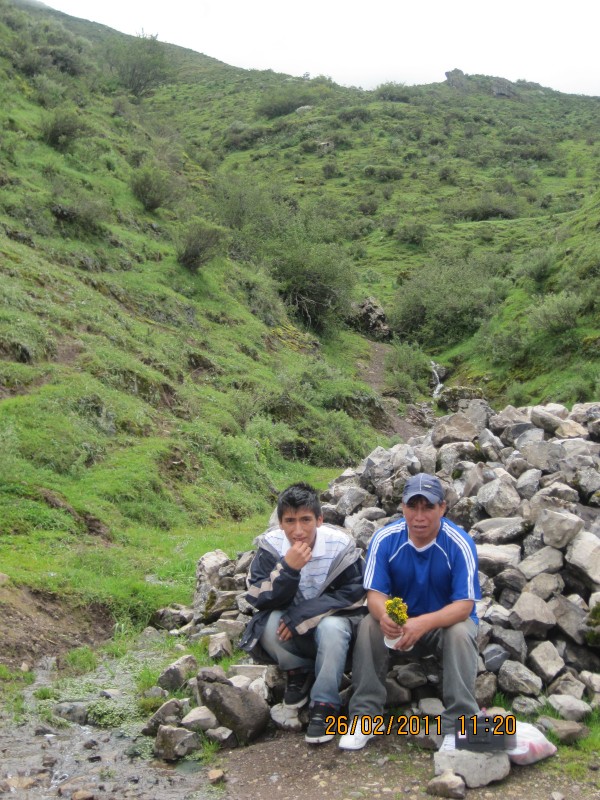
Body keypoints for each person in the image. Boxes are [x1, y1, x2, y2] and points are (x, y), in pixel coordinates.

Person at [339, 473, 481, 752]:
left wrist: (423, 624)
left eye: (428, 507)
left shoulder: (459, 543)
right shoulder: (385, 539)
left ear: (442, 508)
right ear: (402, 508)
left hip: (441, 625)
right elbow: (375, 595)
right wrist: (387, 616)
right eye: (412, 506)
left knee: (461, 631)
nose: (419, 516)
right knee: (369, 624)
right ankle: (364, 718)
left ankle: (459, 725)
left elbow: (464, 606)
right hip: (401, 626)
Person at [240, 482, 366, 744]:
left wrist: (306, 613)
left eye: (306, 520)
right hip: (291, 629)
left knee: (332, 627)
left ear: (319, 519)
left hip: (332, 630)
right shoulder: (270, 547)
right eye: (290, 521)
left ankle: (325, 705)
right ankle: (299, 671)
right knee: (269, 623)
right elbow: (257, 596)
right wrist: (288, 569)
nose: (298, 530)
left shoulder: (340, 545)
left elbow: (356, 592)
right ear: (280, 523)